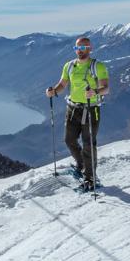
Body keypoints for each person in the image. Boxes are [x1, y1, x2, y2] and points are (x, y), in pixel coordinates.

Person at [46, 37, 109, 190]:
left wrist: (94, 92)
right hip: (72, 108)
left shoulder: (98, 66)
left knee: (88, 144)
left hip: (91, 109)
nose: (79, 51)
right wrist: (53, 91)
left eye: (83, 47)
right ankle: (81, 164)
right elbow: (62, 84)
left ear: (90, 48)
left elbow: (106, 88)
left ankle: (90, 178)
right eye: (77, 48)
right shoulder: (69, 66)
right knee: (69, 140)